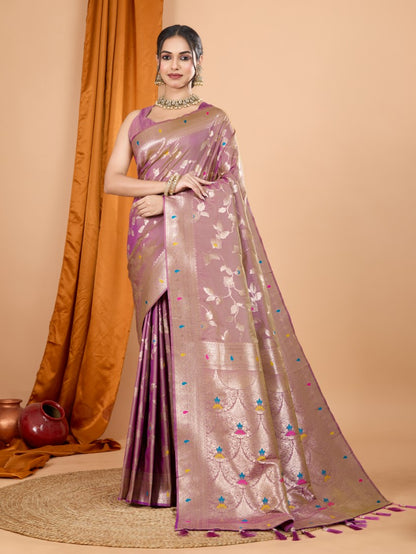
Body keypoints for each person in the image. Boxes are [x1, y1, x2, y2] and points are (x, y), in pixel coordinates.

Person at [104, 24, 390, 536]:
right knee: (161, 346)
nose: (175, 65)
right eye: (167, 56)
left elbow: (230, 192)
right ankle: (159, 481)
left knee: (195, 349)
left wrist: (170, 201)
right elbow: (112, 181)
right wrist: (164, 187)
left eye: (184, 57)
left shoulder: (214, 120)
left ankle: (207, 475)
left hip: (190, 244)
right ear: (157, 62)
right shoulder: (137, 119)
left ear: (197, 62)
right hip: (151, 245)